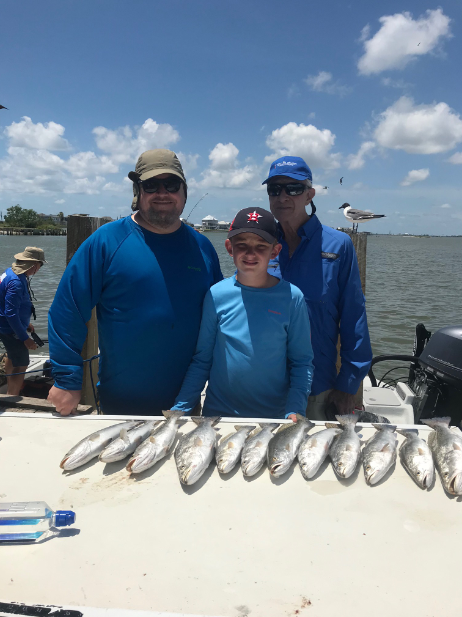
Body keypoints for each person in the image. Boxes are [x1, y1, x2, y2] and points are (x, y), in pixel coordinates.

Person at [48, 149, 222, 416]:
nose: (162, 193)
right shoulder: (106, 242)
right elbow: (67, 311)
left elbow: (220, 317)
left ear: (184, 191)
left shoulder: (203, 247)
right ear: (137, 191)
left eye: (171, 184)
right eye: (151, 185)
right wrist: (67, 379)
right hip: (120, 404)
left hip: (186, 403)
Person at [171, 207, 314, 420]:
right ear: (229, 248)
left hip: (274, 417)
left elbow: (302, 362)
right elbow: (202, 360)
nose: (250, 253)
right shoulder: (216, 294)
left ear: (275, 251)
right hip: (218, 416)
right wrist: (181, 407)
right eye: (242, 246)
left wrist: (295, 409)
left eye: (260, 247)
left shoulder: (293, 297)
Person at [263, 156, 372, 419]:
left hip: (317, 386)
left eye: (294, 189)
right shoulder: (260, 245)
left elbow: (354, 317)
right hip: (262, 386)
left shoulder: (339, 245)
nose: (283, 196)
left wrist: (348, 385)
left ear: (310, 195)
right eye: (274, 189)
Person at [0, 247, 46, 395]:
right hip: (10, 328)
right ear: (33, 265)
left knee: (12, 357)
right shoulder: (16, 283)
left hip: (8, 325)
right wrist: (24, 338)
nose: (39, 269)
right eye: (40, 265)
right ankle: (12, 396)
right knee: (22, 364)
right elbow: (11, 313)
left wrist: (26, 324)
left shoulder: (10, 272)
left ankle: (9, 389)